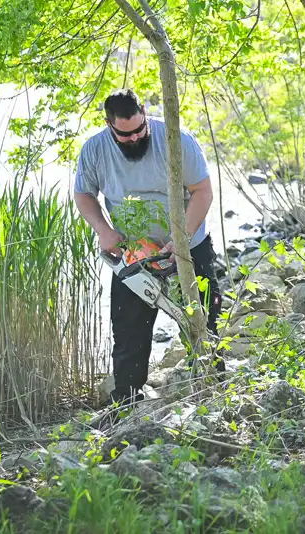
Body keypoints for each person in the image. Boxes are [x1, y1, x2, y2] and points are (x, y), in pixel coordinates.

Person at [74, 89, 222, 404]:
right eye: (124, 135)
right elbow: (84, 195)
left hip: (187, 246)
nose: (134, 138)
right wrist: (103, 230)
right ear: (109, 125)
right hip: (133, 254)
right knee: (128, 332)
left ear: (144, 113)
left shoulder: (178, 141)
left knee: (203, 319)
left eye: (139, 130)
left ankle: (213, 392)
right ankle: (126, 402)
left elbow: (203, 191)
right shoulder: (95, 150)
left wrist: (180, 238)